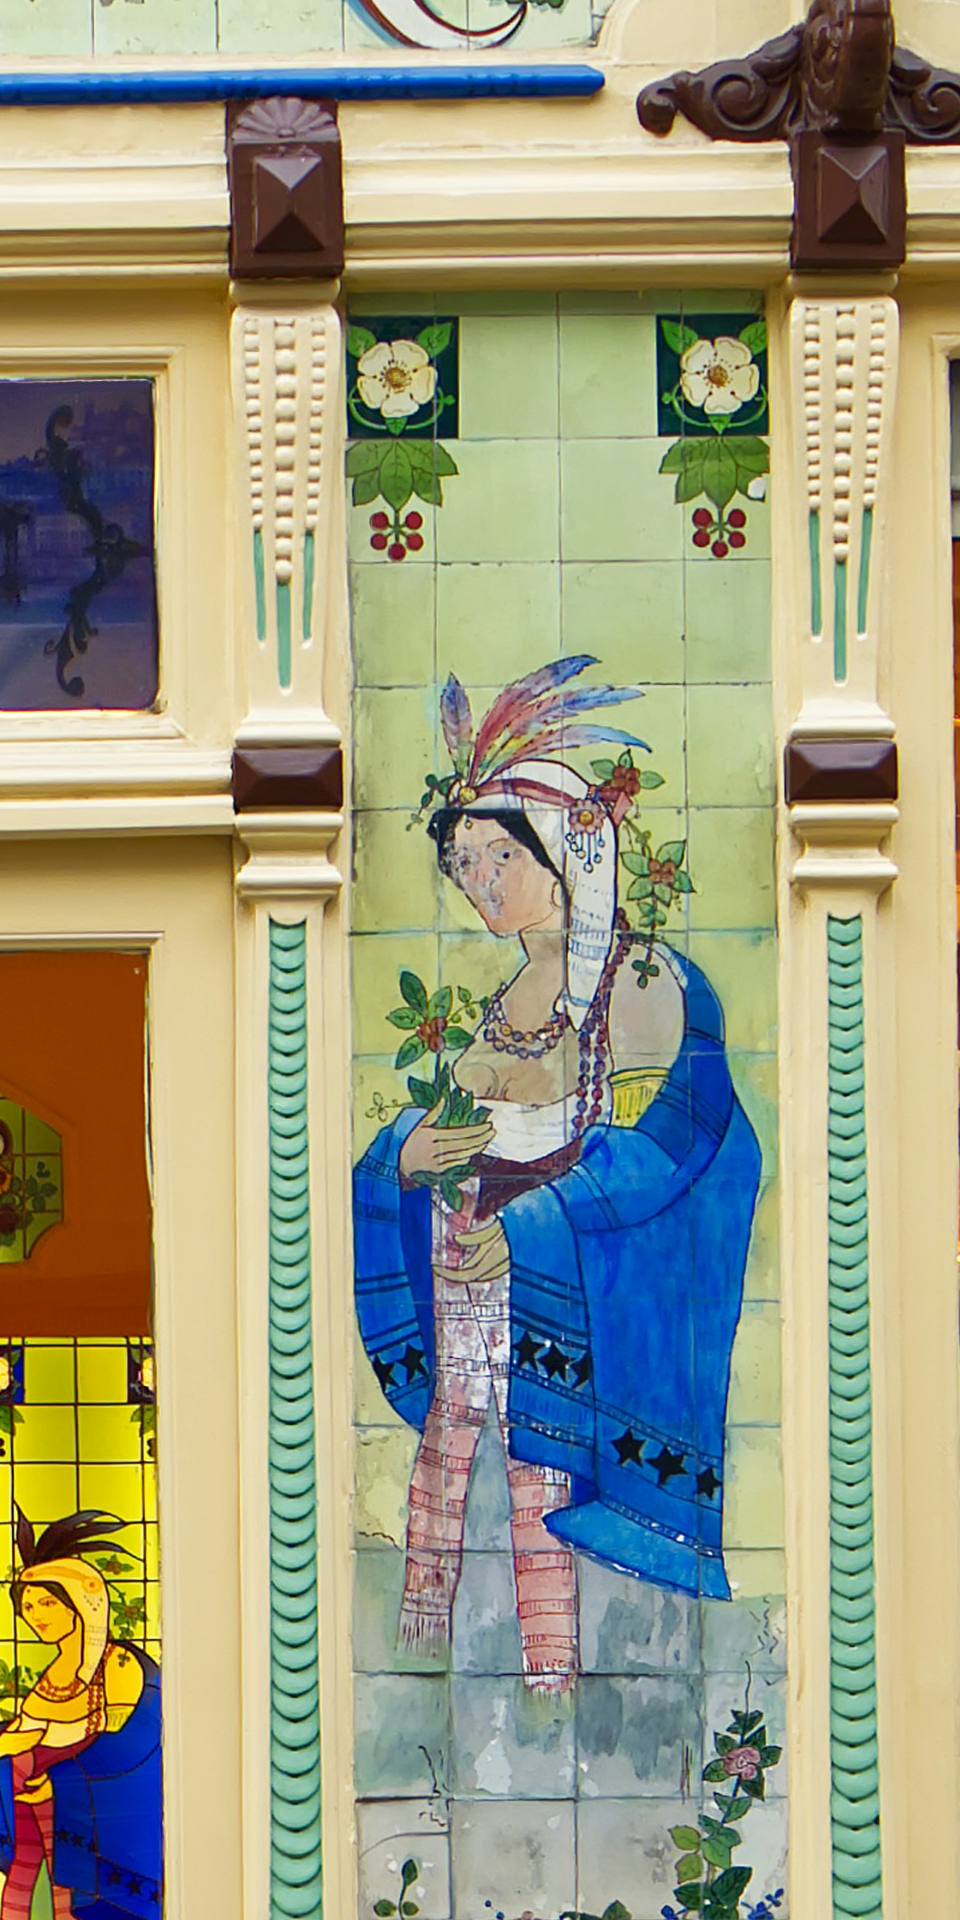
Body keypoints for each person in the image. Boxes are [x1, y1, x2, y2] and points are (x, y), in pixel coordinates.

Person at [354, 660, 760, 1680]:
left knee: (541, 1475)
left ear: (564, 851)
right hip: (466, 1266)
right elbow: (440, 1127)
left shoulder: (640, 979)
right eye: (465, 868)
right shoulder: (506, 995)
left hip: (553, 1273)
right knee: (443, 1470)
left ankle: (552, 1687)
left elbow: (666, 1142)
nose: (479, 884)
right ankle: (413, 1676)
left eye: (498, 857)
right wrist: (401, 1157)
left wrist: (530, 1225)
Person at [0, 1513, 164, 1920]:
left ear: (78, 1605)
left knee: (67, 1884)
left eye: (45, 1604)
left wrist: (59, 1778)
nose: (34, 1615)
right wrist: (3, 1748)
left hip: (78, 1795)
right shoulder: (55, 1672)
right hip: (35, 1789)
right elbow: (25, 1729)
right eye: (28, 1606)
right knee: (21, 1876)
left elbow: (129, 1739)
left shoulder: (117, 1664)